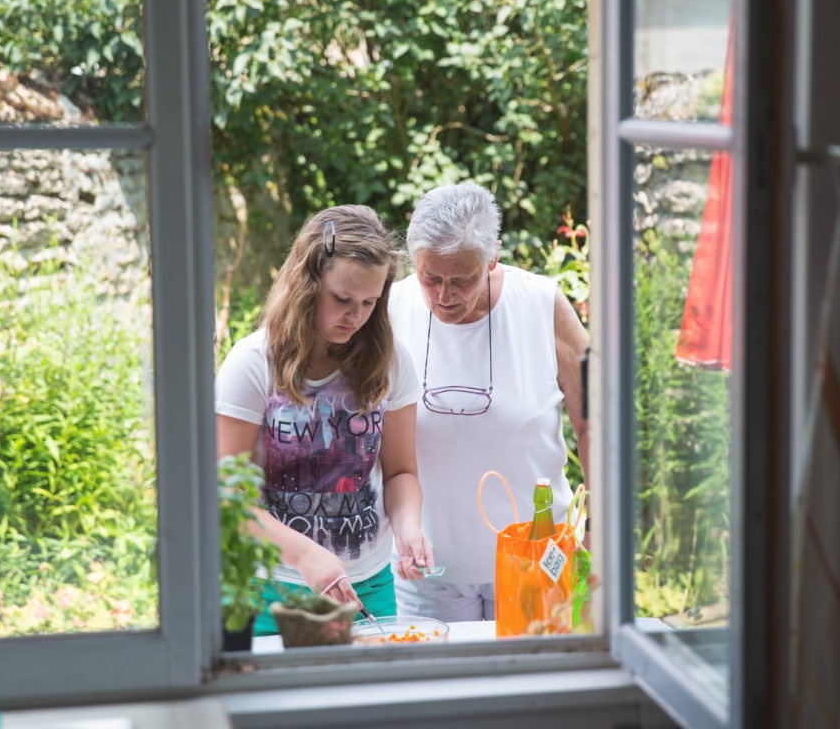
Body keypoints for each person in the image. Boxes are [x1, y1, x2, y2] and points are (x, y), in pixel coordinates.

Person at [215, 205, 434, 636]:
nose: (355, 316)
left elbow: (401, 472)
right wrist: (304, 555)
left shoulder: (391, 362)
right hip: (269, 590)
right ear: (307, 284)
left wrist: (409, 530)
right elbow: (227, 498)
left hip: (366, 588)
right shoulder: (253, 363)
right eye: (342, 299)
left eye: (370, 303)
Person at [388, 183, 590, 623]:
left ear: (493, 257)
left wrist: (602, 526)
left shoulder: (540, 302)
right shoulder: (390, 307)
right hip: (427, 569)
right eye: (430, 278)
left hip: (536, 557)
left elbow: (596, 420)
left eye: (461, 280)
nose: (443, 296)